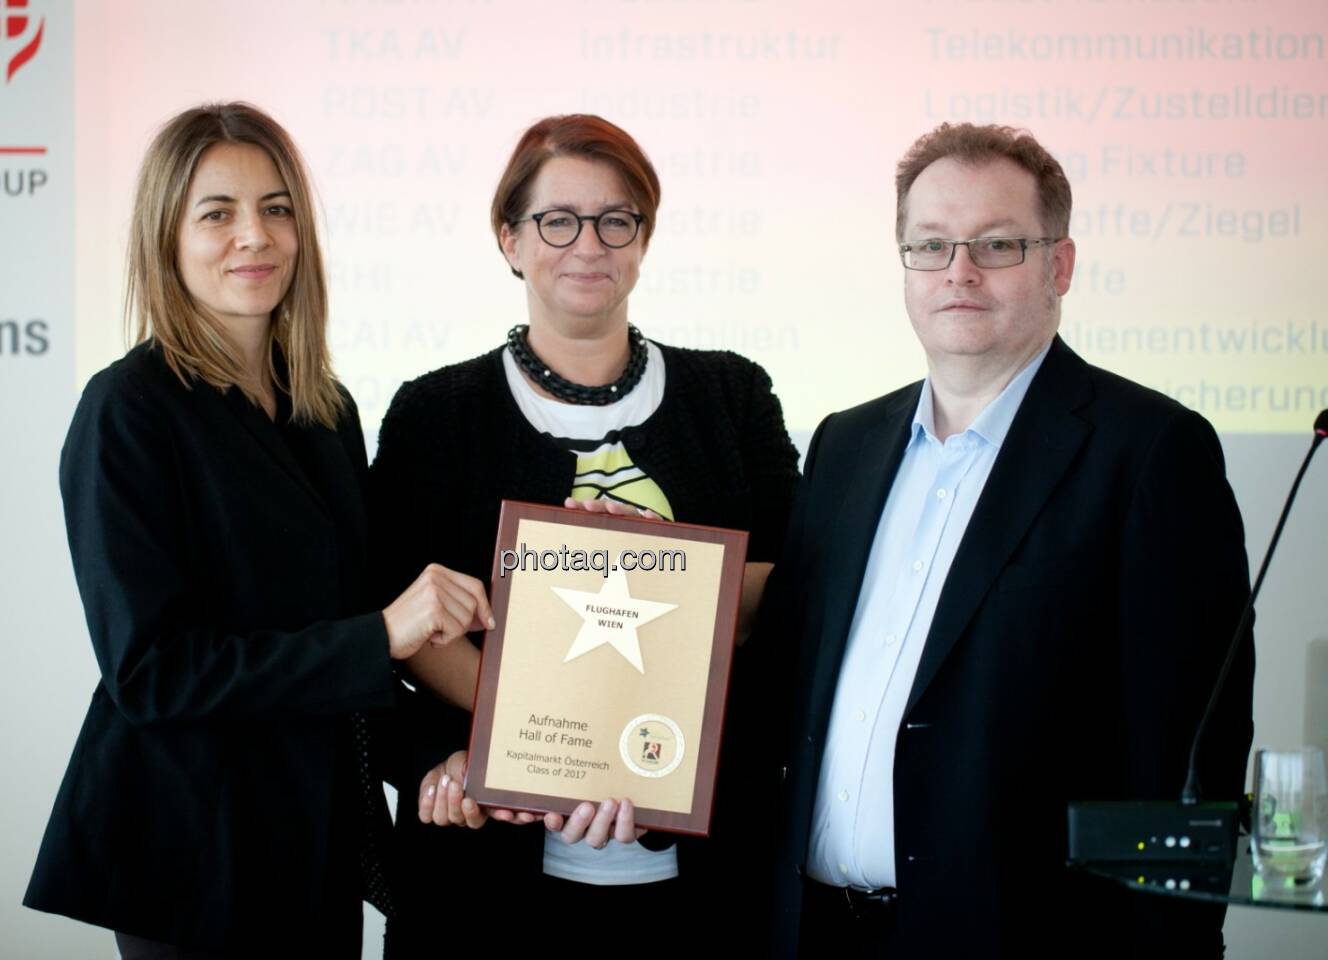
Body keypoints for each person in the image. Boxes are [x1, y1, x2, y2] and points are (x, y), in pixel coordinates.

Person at [754, 122, 1255, 958]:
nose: (959, 271)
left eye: (997, 244)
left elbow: (1185, 758)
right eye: (931, 245)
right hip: (815, 934)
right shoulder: (844, 446)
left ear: (1059, 265)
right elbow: (786, 695)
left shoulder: (1151, 453)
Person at [22, 102, 491, 958]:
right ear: (166, 234)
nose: (256, 236)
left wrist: (444, 753)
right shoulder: (129, 411)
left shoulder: (325, 409)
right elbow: (153, 673)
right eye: (219, 212)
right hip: (197, 855)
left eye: (278, 209)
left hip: (315, 839)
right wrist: (384, 632)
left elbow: (347, 646)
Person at [370, 114, 801, 954]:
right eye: (557, 221)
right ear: (510, 240)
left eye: (617, 220)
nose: (589, 245)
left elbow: (788, 590)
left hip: (704, 872)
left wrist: (659, 564)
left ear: (644, 238)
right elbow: (402, 620)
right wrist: (526, 738)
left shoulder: (733, 395)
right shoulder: (433, 414)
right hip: (487, 870)